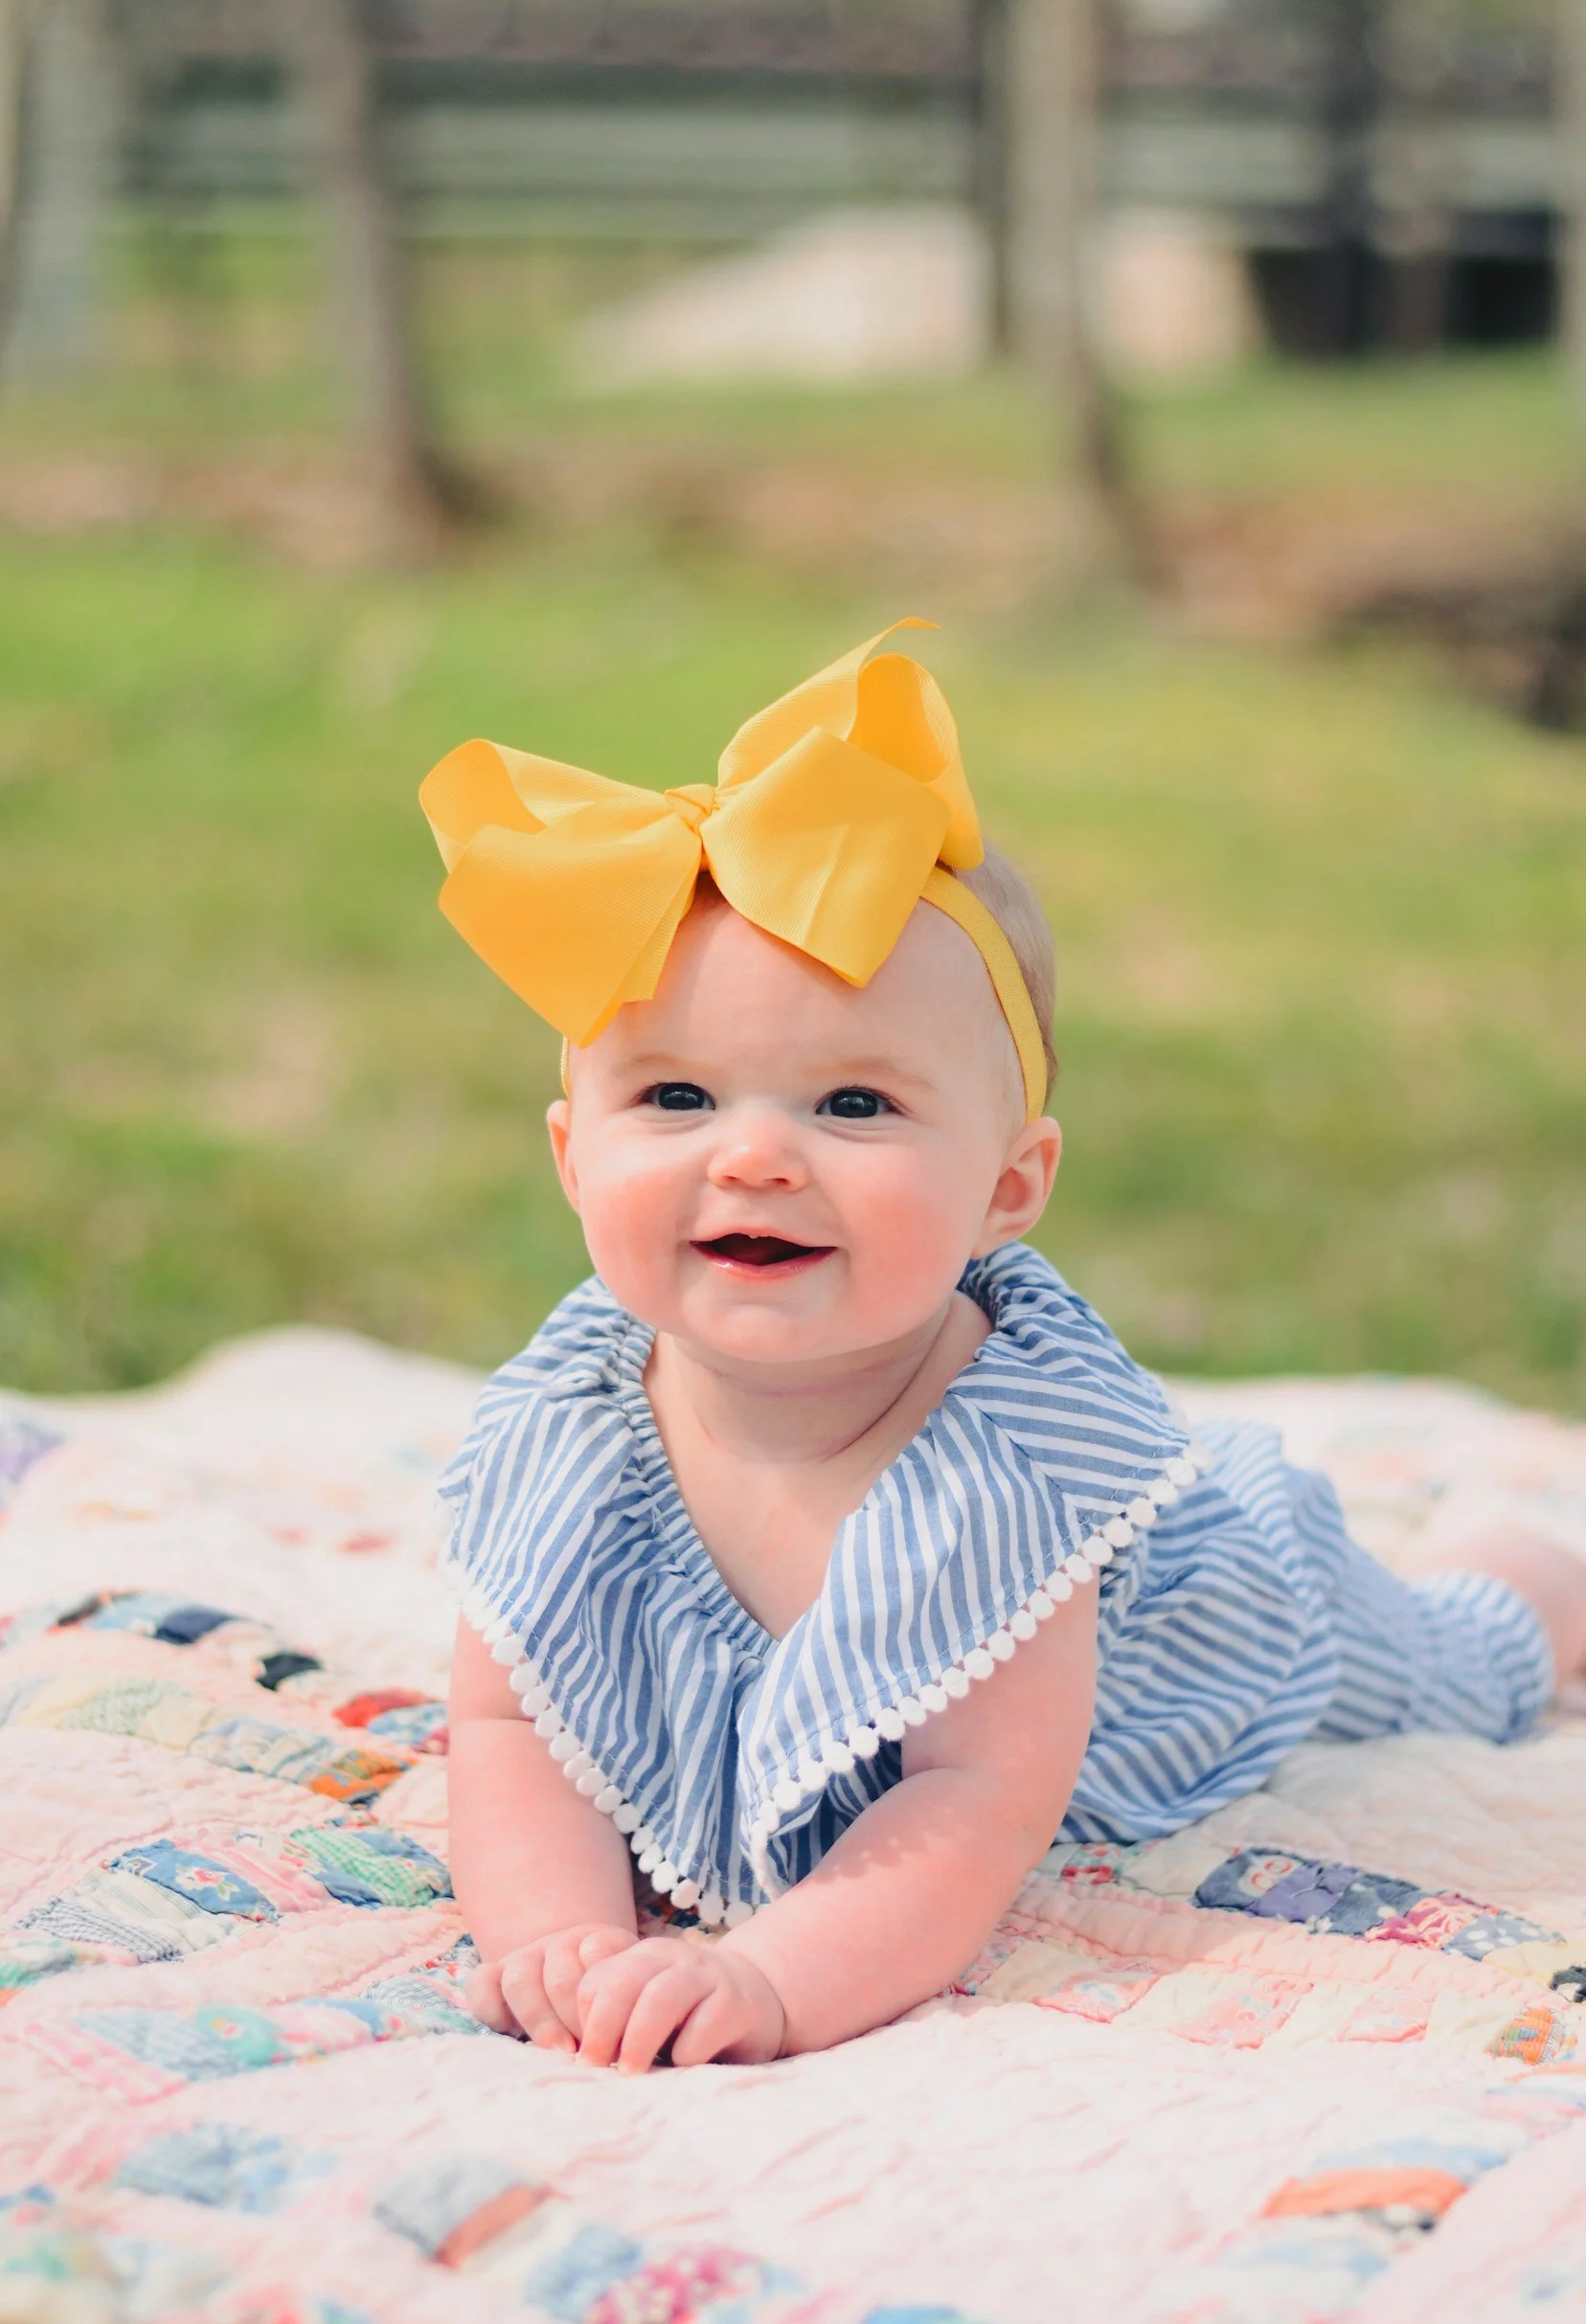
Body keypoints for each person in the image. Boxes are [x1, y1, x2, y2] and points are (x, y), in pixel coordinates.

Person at [421, 623, 1586, 2077]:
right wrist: (557, 1939)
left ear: (1008, 1187)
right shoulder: (562, 1427)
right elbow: (513, 1723)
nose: (759, 1157)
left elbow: (971, 1799)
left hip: (1210, 1641)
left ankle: (1533, 1578)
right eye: (675, 1095)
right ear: (571, 1157)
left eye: (853, 1105)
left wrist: (771, 1980)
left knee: (1456, 1662)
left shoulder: (1013, 1466)